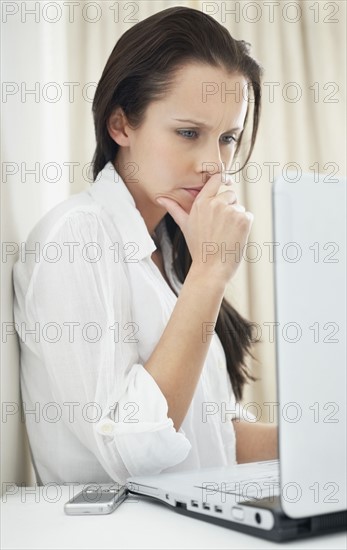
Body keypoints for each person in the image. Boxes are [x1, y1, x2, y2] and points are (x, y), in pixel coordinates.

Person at [13, 6, 277, 486]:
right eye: (188, 133)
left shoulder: (173, 253)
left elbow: (213, 435)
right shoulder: (77, 239)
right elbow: (132, 449)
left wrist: (324, 436)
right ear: (121, 125)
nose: (213, 165)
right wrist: (211, 275)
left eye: (228, 138)